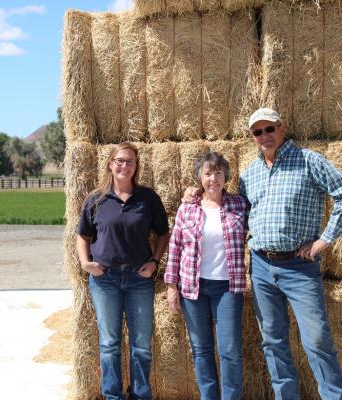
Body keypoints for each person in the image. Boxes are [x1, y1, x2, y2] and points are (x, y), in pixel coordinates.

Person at [239, 107, 342, 399]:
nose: (264, 136)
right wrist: (194, 195)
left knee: (317, 340)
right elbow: (233, 211)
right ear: (253, 137)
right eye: (257, 132)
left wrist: (324, 240)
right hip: (260, 266)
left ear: (281, 128)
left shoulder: (309, 161)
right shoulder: (250, 174)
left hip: (299, 267)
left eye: (269, 129)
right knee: (273, 342)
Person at [77, 141, 170, 400]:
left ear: (136, 166)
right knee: (109, 344)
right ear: (110, 164)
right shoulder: (96, 199)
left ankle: (140, 395)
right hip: (105, 280)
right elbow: (82, 236)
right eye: (120, 160)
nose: (124, 166)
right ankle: (113, 396)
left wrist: (154, 261)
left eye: (130, 161)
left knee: (141, 345)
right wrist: (86, 263)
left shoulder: (147, 198)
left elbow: (163, 233)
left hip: (139, 279)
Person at [165, 152, 249, 400]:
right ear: (200, 177)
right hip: (193, 288)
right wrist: (171, 286)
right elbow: (175, 247)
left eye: (218, 173)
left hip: (228, 287)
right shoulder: (187, 208)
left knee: (230, 350)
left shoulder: (239, 204)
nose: (213, 178)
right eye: (208, 173)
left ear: (226, 177)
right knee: (201, 349)